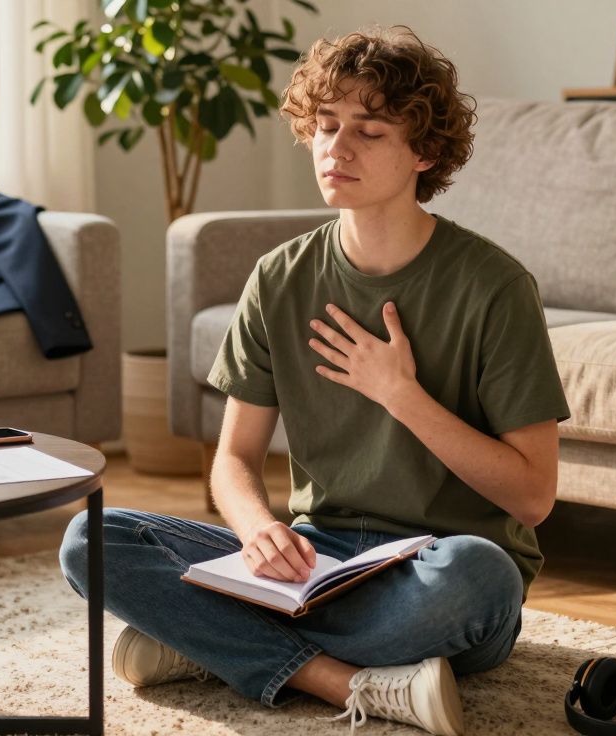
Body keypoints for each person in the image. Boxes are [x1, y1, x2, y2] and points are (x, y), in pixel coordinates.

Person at [60, 25, 571, 736]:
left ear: (424, 151)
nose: (337, 147)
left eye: (369, 130)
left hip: (437, 567)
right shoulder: (279, 277)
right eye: (326, 126)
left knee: (480, 578)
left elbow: (533, 495)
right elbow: (234, 460)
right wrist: (259, 529)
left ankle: (214, 645)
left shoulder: (494, 286)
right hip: (315, 561)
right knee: (92, 538)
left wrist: (400, 394)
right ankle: (339, 680)